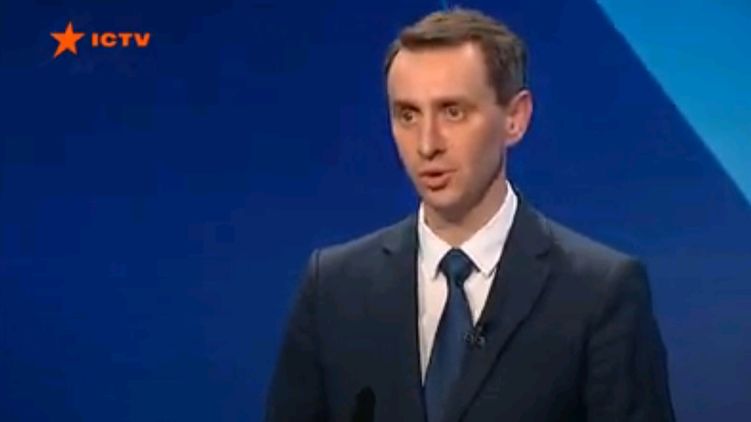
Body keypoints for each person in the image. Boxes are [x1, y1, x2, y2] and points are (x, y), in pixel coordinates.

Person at [266, 7, 675, 422]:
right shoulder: (333, 287)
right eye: (408, 115)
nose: (427, 144)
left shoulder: (600, 292)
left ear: (515, 118)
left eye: (453, 112)